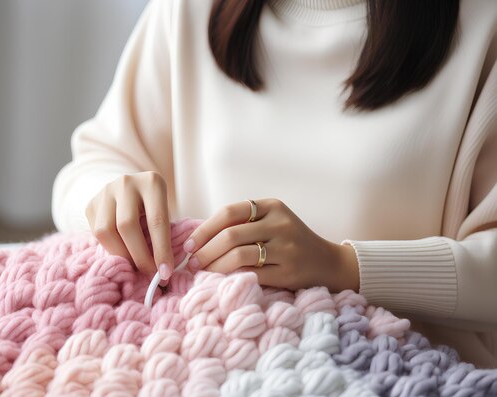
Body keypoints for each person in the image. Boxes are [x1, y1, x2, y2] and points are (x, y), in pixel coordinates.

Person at [52, 0, 497, 367]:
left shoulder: (483, 28)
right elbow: (89, 168)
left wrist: (344, 266)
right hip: (201, 365)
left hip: (406, 382)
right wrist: (109, 199)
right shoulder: (188, 10)